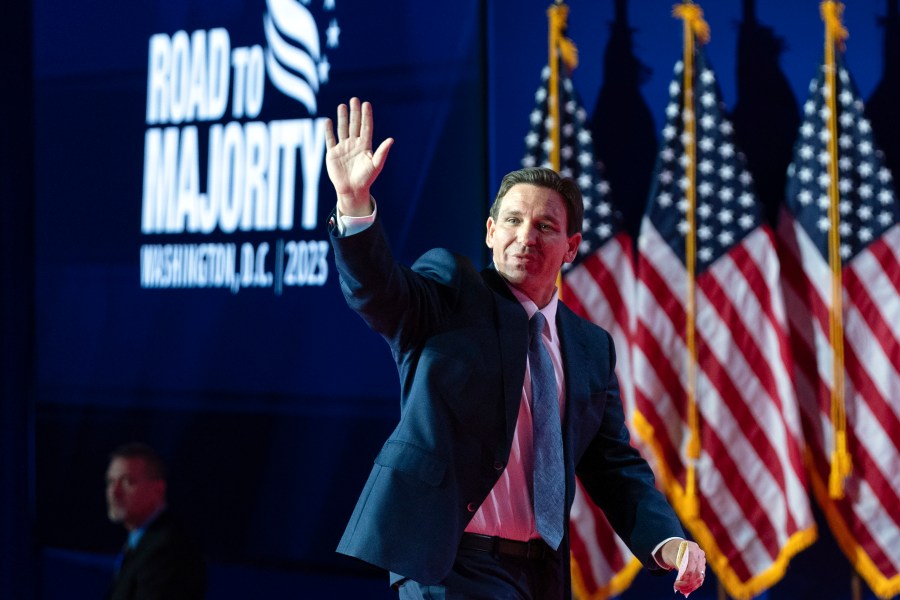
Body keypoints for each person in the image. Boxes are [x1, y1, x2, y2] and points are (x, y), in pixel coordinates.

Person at [325, 97, 706, 599]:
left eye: (545, 226)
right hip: (448, 566)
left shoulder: (590, 347)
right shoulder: (451, 290)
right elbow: (379, 293)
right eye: (512, 221)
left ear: (570, 247)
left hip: (537, 575)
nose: (526, 236)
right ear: (490, 232)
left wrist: (669, 541)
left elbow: (613, 465)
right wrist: (354, 207)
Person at [104, 442, 207, 600]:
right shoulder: (140, 542)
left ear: (158, 489)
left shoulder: (168, 548)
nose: (114, 492)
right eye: (110, 481)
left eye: (127, 481)